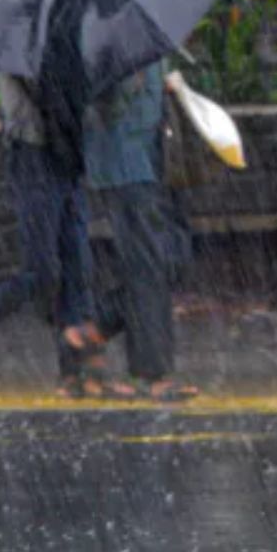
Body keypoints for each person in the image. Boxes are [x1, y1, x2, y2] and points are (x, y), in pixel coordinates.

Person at [0, 73, 122, 397]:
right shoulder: (22, 37)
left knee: (78, 264)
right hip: (33, 153)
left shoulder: (60, 33)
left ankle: (75, 374)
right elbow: (42, 92)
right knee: (41, 272)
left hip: (66, 154)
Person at [83, 62, 198, 401]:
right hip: (126, 163)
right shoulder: (108, 37)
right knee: (149, 267)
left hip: (159, 159)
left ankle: (92, 328)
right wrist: (130, 84)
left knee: (175, 259)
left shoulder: (145, 32)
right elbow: (94, 101)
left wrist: (167, 87)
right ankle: (153, 373)